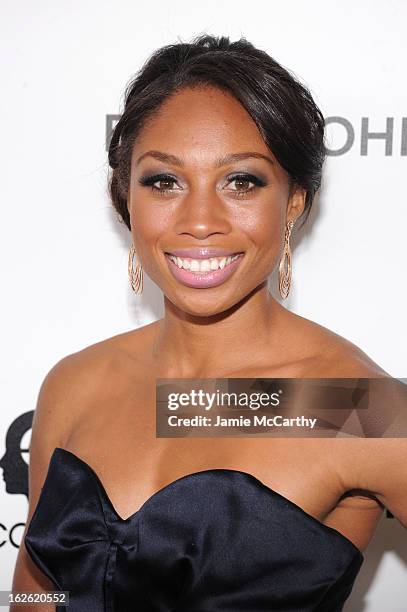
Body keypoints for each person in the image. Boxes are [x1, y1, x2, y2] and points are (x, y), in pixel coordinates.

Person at [12, 33, 407, 611]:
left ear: (294, 201)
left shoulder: (350, 404)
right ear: (125, 196)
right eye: (164, 181)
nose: (200, 221)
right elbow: (34, 596)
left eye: (241, 181)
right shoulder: (75, 383)